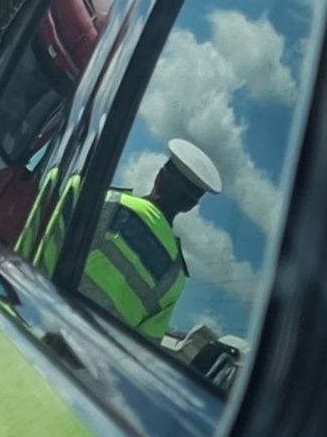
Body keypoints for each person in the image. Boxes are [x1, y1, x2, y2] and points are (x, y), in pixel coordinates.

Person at [78, 139, 221, 341]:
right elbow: (145, 344)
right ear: (190, 206)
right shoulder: (175, 276)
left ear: (159, 177)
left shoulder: (110, 203)